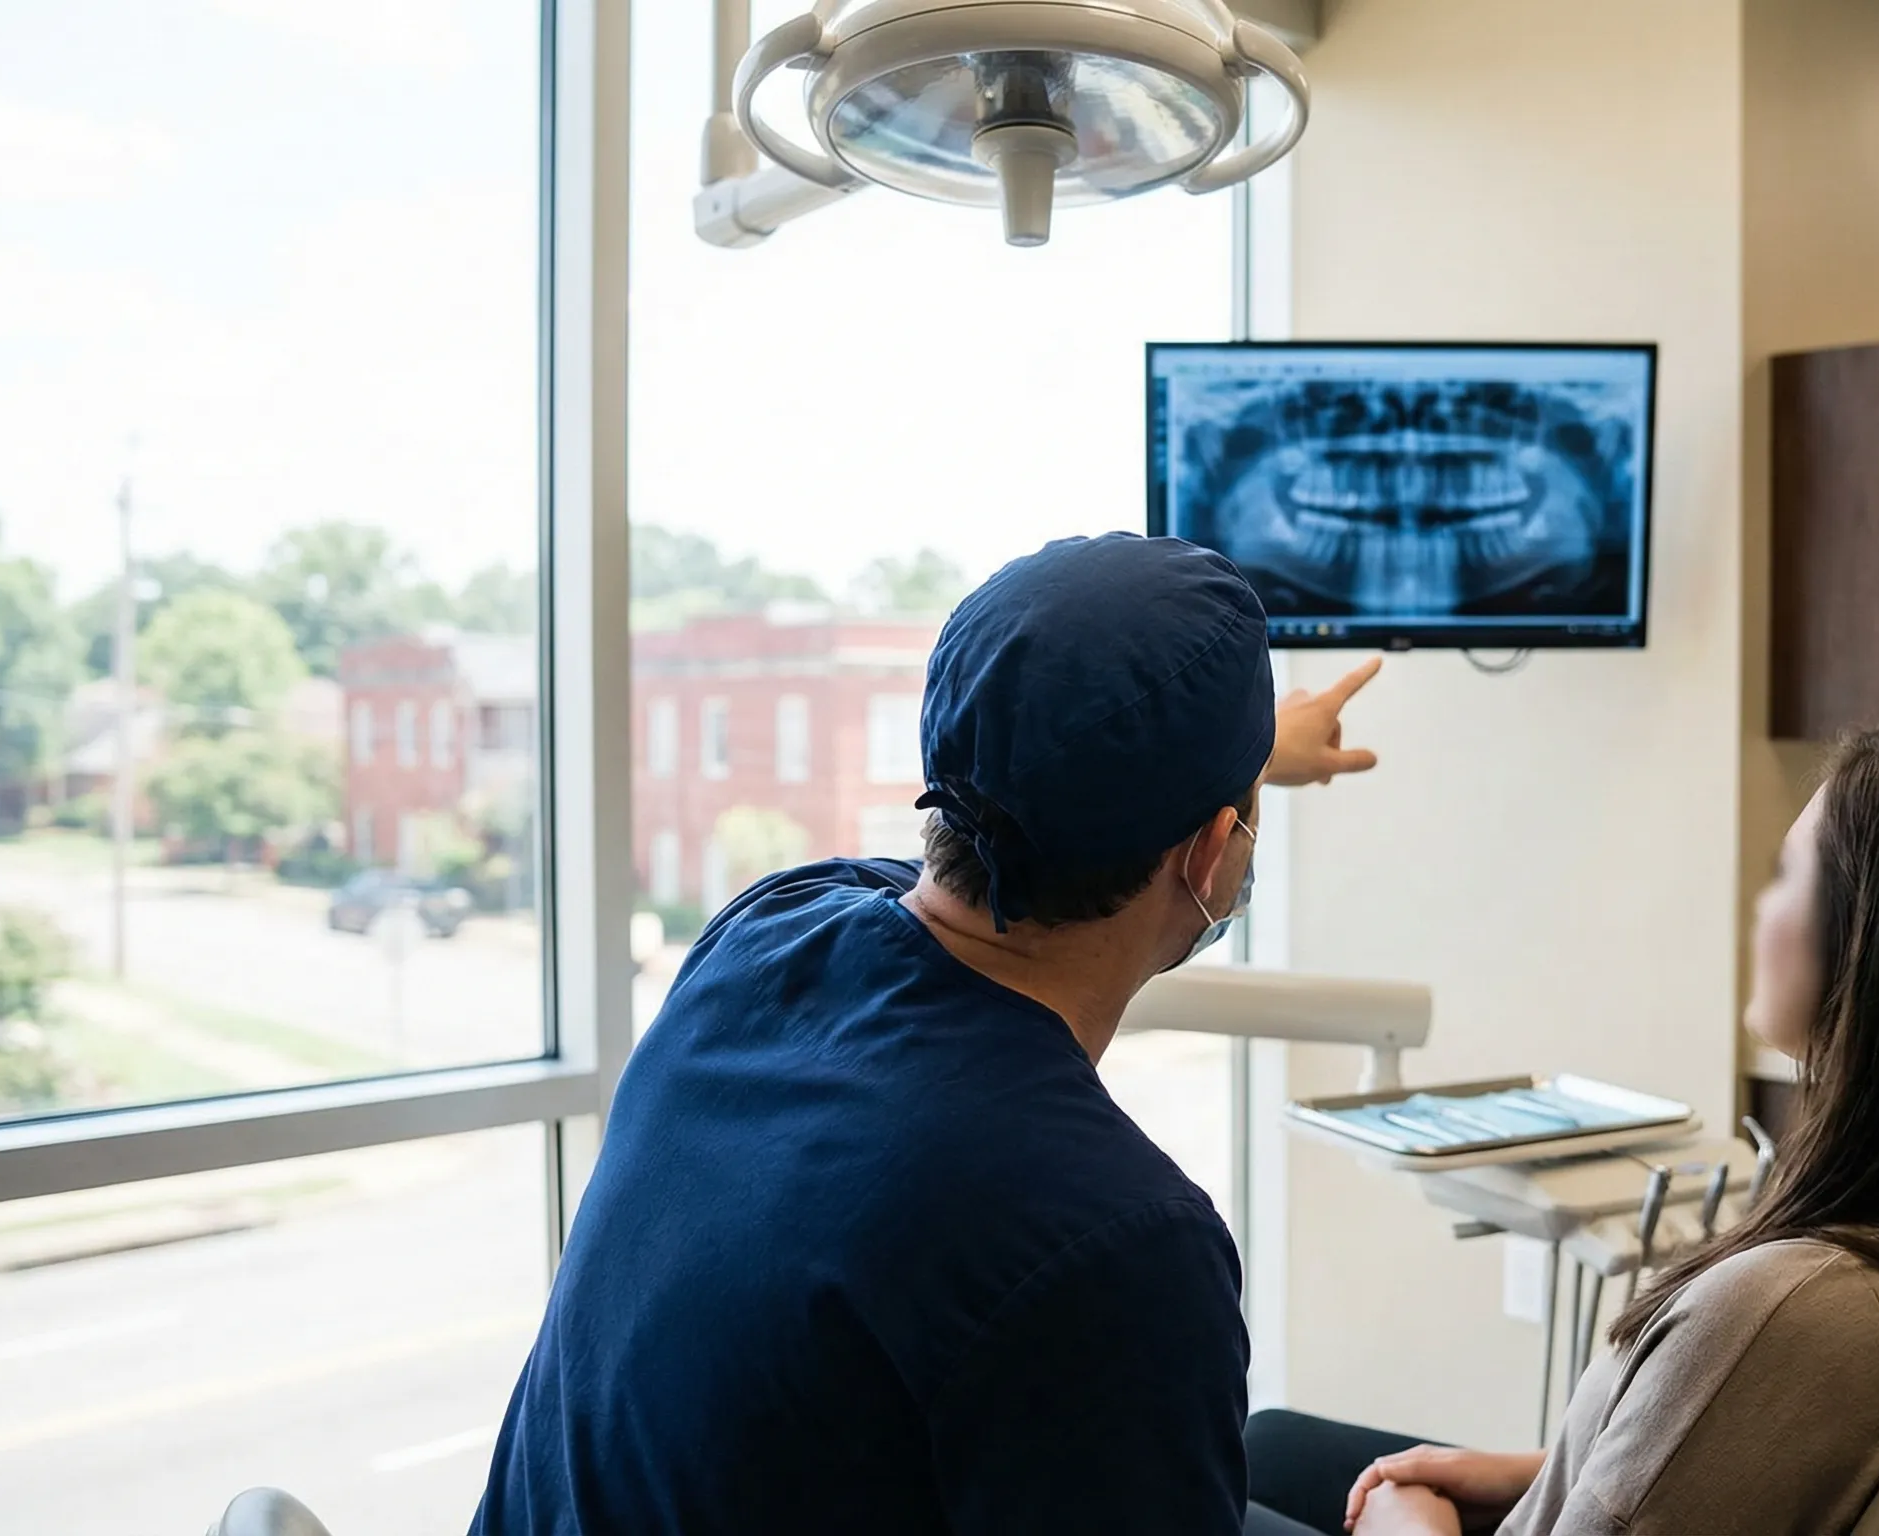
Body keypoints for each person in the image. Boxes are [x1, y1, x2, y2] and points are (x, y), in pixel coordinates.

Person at [470, 533, 1382, 1536]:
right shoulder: (1114, 1243)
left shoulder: (767, 933)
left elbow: (987, 852)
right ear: (1213, 853)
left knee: (1284, 1457)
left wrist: (1246, 763)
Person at [1245, 719, 1879, 1536]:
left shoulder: (1790, 1314)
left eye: (1790, 873)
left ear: (1878, 947)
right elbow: (1750, 1467)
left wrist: (1408, 1524)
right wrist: (1546, 1470)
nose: (1763, 905)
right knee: (1271, 1444)